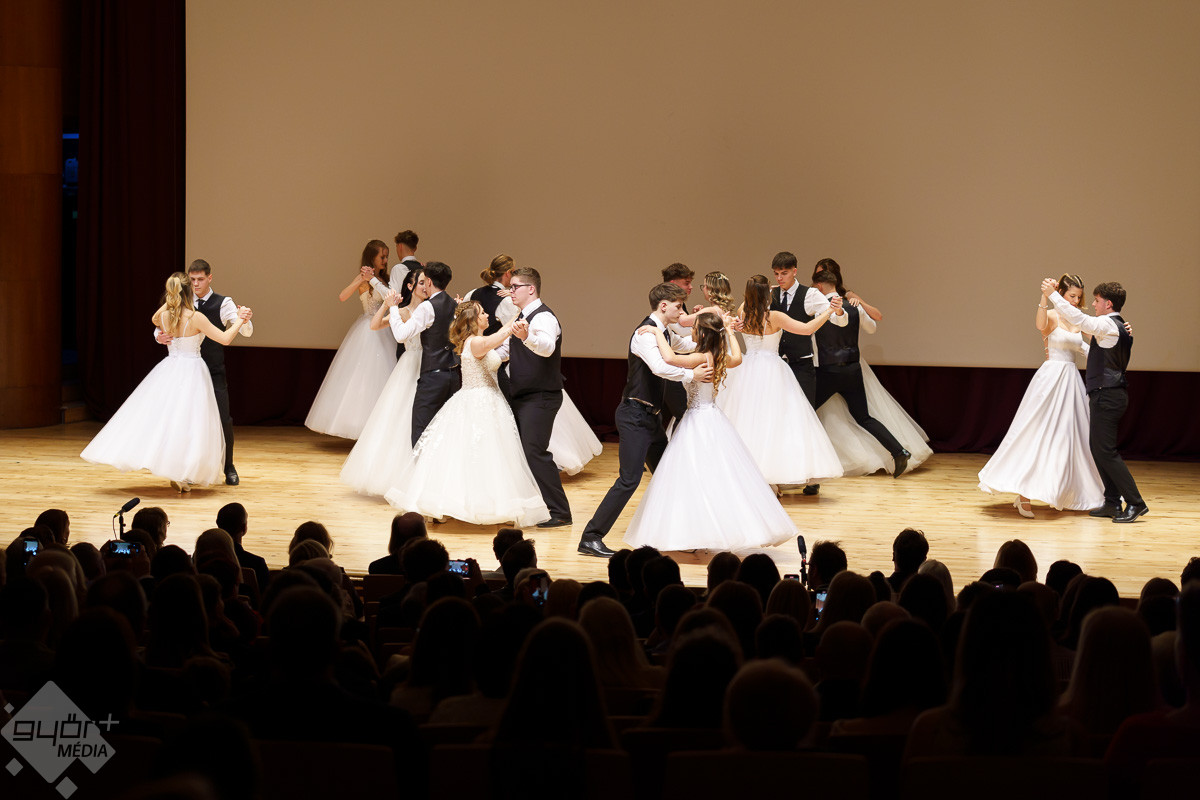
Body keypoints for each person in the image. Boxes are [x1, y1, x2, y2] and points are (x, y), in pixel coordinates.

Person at [623, 312, 797, 552]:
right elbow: (738, 358)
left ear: (702, 334)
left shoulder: (701, 356)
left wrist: (656, 332)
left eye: (695, 328)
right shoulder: (718, 355)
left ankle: (697, 531)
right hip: (712, 417)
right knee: (713, 474)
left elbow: (669, 358)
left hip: (698, 419)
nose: (692, 331)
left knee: (695, 473)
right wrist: (730, 332)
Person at [384, 301, 550, 527]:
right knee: (476, 453)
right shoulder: (476, 342)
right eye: (483, 313)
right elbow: (500, 336)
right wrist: (519, 316)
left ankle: (489, 503)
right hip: (477, 403)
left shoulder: (479, 342)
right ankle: (463, 505)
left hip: (489, 401)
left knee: (489, 455)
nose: (487, 315)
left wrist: (519, 324)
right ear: (473, 320)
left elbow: (499, 349)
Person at [578, 284, 713, 557]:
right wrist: (692, 375)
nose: (682, 312)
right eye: (678, 306)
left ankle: (678, 535)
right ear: (663, 305)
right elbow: (660, 367)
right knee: (629, 480)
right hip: (634, 415)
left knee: (668, 475)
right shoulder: (645, 334)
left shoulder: (664, 332)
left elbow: (687, 345)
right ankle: (591, 537)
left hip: (651, 418)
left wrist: (719, 332)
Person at [83, 272, 250, 489]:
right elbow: (225, 339)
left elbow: (154, 318)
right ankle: (184, 471)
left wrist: (171, 304)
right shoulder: (196, 317)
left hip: (170, 368)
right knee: (191, 423)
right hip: (192, 370)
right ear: (188, 293)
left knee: (172, 421)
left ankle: (179, 472)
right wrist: (240, 320)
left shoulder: (163, 316)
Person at [979, 275, 1106, 518]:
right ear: (1062, 293)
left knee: (1070, 438)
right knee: (1035, 434)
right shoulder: (1052, 316)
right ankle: (1024, 494)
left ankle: (1065, 491)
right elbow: (1040, 325)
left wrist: (1118, 337)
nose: (1075, 300)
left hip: (1071, 382)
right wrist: (1045, 296)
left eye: (1079, 297)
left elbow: (1094, 346)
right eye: (1072, 295)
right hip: (1050, 380)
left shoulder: (1078, 319)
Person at [716, 278, 844, 491]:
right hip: (771, 369)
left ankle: (749, 474)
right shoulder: (774, 316)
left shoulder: (742, 311)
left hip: (748, 369)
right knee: (775, 421)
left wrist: (762, 291)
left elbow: (751, 303)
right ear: (767, 294)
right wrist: (829, 311)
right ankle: (771, 476)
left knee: (749, 419)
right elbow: (806, 328)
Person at [811, 258, 932, 476]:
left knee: (806, 410)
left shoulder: (817, 308)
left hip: (828, 371)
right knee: (864, 417)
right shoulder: (854, 306)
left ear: (819, 285)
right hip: (853, 370)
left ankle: (809, 463)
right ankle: (899, 451)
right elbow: (872, 328)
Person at [1042, 278, 1146, 523]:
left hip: (1108, 395)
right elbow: (1094, 351)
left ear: (1108, 304)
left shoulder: (1108, 324)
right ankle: (1112, 503)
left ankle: (1135, 502)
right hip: (1108, 394)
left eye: (1097, 301)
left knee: (1106, 451)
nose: (1093, 305)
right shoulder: (1116, 327)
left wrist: (1052, 295)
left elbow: (1079, 319)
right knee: (1099, 450)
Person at [154, 259, 253, 485]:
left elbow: (244, 333)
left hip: (212, 370)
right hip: (184, 374)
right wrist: (158, 336)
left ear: (209, 278)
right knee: (186, 421)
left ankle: (228, 466)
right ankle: (188, 469)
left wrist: (243, 320)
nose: (196, 284)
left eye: (200, 279)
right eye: (192, 280)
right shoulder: (180, 304)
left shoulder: (223, 303)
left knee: (223, 419)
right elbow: (157, 325)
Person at [492, 267, 573, 527]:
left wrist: (526, 336)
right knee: (522, 452)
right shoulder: (521, 316)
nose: (510, 291)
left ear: (531, 289)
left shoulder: (543, 317)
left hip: (541, 395)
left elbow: (547, 348)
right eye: (510, 287)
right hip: (522, 394)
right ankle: (528, 505)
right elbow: (506, 350)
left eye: (515, 287)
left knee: (534, 451)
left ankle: (560, 512)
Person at [339, 268, 428, 496]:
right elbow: (374, 325)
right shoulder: (404, 311)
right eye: (421, 282)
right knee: (400, 414)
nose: (425, 287)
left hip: (428, 365)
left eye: (427, 282)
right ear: (410, 286)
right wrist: (388, 305)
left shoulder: (430, 309)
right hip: (410, 364)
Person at [769, 252, 848, 495]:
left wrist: (839, 312)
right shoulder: (771, 294)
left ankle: (812, 475)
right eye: (776, 274)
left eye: (784, 273)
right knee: (778, 419)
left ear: (795, 271)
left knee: (805, 418)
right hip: (776, 365)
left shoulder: (810, 294)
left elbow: (838, 321)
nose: (780, 278)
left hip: (802, 364)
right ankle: (781, 473)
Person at [304, 240, 398, 439]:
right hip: (367, 328)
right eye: (382, 256)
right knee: (362, 377)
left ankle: (378, 427)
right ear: (372, 257)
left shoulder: (384, 279)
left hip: (383, 327)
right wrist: (361, 279)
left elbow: (388, 297)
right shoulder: (363, 279)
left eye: (386, 256)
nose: (385, 260)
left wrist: (374, 279)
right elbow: (342, 296)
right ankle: (357, 425)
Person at [385, 261, 462, 446]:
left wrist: (393, 308)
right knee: (445, 432)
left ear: (428, 281)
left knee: (421, 432)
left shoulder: (428, 307)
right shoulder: (454, 305)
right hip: (454, 375)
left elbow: (401, 334)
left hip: (433, 376)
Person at [660, 263, 695, 433]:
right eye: (686, 283)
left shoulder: (677, 303)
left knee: (681, 414)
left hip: (677, 364)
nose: (691, 287)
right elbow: (683, 329)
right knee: (683, 414)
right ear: (673, 283)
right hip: (670, 367)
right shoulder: (668, 304)